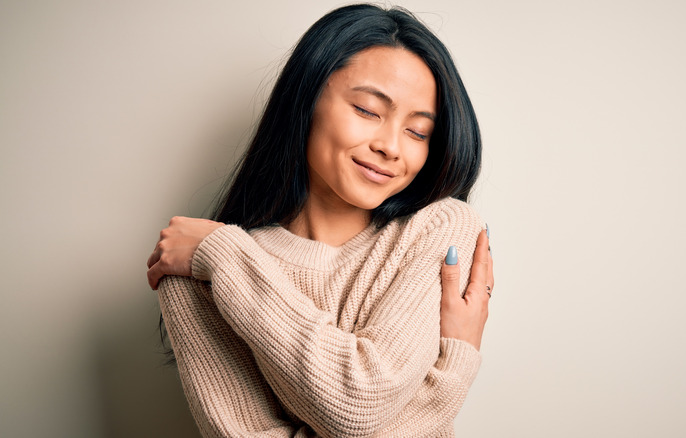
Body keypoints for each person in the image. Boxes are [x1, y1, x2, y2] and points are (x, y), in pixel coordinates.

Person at [147, 4, 493, 437]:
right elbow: (359, 407)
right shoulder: (196, 269)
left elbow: (358, 403)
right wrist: (451, 368)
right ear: (305, 99)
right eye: (368, 110)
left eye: (418, 132)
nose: (391, 146)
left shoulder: (440, 228)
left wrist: (224, 257)